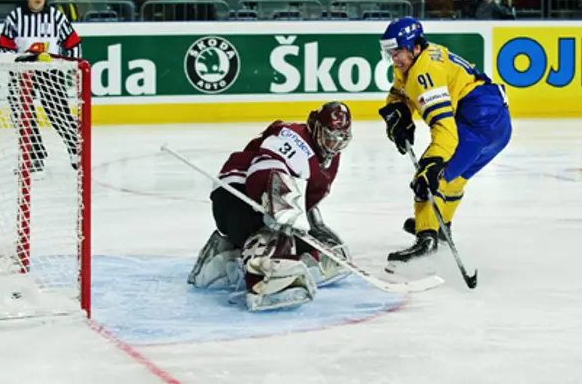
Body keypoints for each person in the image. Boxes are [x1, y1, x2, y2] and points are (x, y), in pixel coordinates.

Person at [188, 102, 353, 311]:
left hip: (257, 204)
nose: (333, 144)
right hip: (237, 196)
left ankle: (222, 259)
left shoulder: (329, 158)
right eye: (329, 135)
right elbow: (262, 171)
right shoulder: (294, 137)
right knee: (273, 232)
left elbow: (305, 200)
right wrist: (280, 210)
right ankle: (263, 281)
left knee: (314, 248)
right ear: (315, 127)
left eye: (340, 138)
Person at [378, 17, 512, 265]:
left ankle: (426, 238)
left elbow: (445, 129)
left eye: (398, 52)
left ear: (415, 46)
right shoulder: (417, 59)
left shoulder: (423, 73)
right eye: (390, 53)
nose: (394, 59)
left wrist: (432, 161)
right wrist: (398, 111)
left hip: (478, 122)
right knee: (455, 178)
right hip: (499, 124)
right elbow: (400, 91)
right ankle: (440, 226)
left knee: (430, 178)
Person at [0, 0, 83, 173]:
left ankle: (75, 150)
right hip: (22, 72)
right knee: (22, 114)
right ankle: (34, 157)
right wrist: (17, 61)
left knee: (57, 112)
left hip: (50, 71)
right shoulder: (15, 17)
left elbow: (73, 43)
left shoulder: (56, 17)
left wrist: (70, 67)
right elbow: (4, 47)